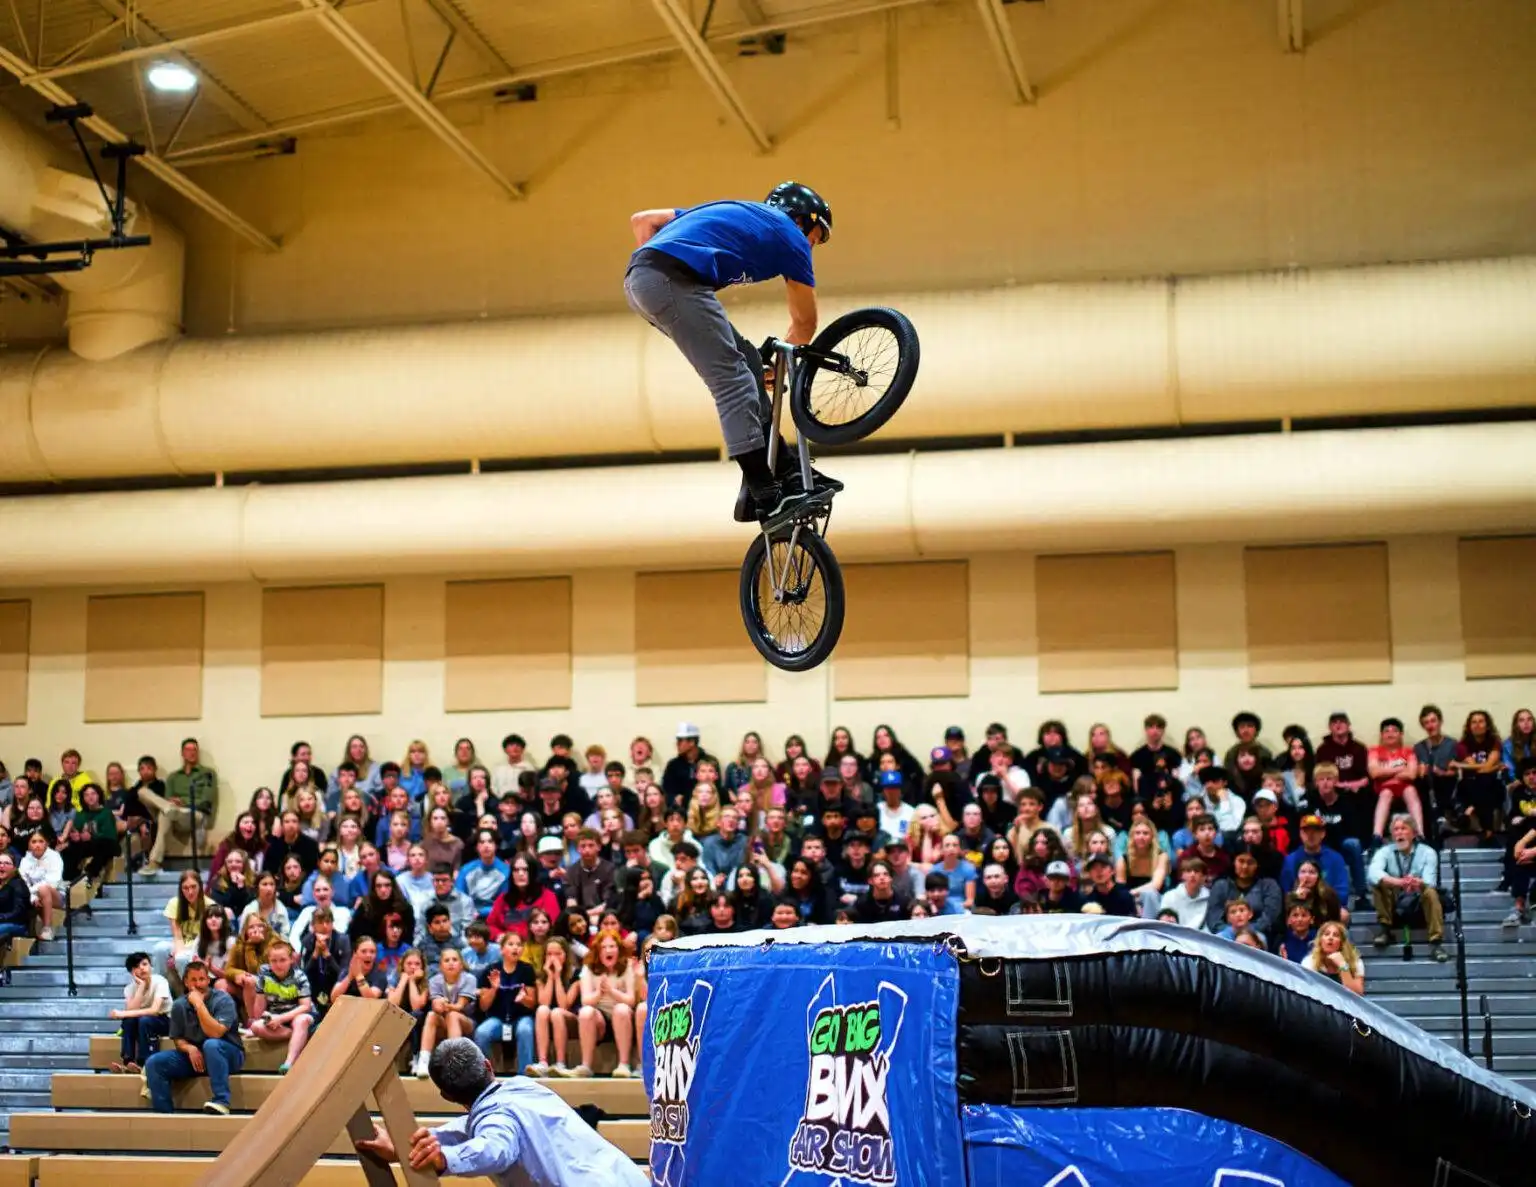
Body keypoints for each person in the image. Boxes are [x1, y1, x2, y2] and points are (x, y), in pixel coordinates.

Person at [625, 184, 838, 524]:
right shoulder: (790, 235)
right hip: (669, 281)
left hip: (648, 282)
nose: (813, 245)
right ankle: (766, 494)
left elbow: (644, 221)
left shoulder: (738, 218)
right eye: (817, 236)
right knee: (734, 381)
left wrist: (648, 267)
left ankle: (783, 470)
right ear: (802, 220)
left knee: (749, 363)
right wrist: (782, 366)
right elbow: (805, 323)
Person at [357, 1037, 649, 1185]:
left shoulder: (495, 1119)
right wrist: (405, 1145)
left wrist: (444, 1158)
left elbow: (494, 1149)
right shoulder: (525, 1087)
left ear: (447, 1096)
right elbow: (472, 1126)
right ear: (488, 1065)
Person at [143, 960, 245, 1115]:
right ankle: (163, 1114)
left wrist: (199, 1005)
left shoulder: (223, 1000)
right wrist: (189, 1048)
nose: (198, 984)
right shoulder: (179, 1005)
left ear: (208, 980)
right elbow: (178, 1039)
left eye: (202, 979)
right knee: (154, 1062)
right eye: (193, 980)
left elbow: (215, 1033)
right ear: (186, 982)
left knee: (211, 1045)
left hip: (228, 1054)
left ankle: (221, 1101)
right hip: (197, 1058)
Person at [1368, 813, 1447, 961]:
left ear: (1414, 834)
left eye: (1403, 828)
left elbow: (1430, 881)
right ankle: (1385, 930)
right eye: (1396, 829)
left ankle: (1436, 942)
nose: (1399, 833)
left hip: (1417, 899)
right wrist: (1397, 882)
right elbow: (1373, 873)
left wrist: (1417, 882)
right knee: (1379, 884)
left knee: (1430, 892)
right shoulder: (1384, 852)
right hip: (1395, 897)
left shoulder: (1427, 852)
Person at [248, 938, 316, 1074]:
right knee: (256, 1026)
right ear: (268, 961)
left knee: (301, 1020)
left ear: (291, 960)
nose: (278, 965)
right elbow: (259, 1007)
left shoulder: (299, 976)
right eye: (274, 961)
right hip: (277, 1017)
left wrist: (280, 1019)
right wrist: (265, 1018)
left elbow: (305, 1006)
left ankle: (289, 1063)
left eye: (283, 960)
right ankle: (298, 1035)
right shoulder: (264, 973)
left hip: (298, 1015)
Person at [474, 931, 537, 1075]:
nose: (516, 948)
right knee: (482, 1032)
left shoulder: (527, 970)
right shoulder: (491, 970)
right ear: (502, 949)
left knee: (525, 1030)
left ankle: (524, 1075)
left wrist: (524, 999)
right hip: (498, 1019)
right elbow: (483, 1006)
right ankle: (484, 1075)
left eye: (519, 945)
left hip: (521, 1018)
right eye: (511, 944)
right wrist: (494, 988)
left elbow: (532, 1003)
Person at [109, 950, 172, 1073]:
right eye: (137, 967)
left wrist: (122, 1013)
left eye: (144, 964)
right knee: (130, 1021)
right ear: (131, 972)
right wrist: (141, 987)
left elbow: (154, 1010)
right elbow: (131, 1012)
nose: (142, 968)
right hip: (143, 1023)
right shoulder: (129, 989)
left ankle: (145, 1063)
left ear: (150, 966)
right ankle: (129, 1062)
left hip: (166, 1020)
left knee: (144, 1020)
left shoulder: (160, 981)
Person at [17, 829, 63, 941]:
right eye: (34, 842)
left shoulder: (55, 857)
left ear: (46, 843)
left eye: (41, 841)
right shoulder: (25, 860)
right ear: (29, 844)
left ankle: (47, 928)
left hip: (57, 895)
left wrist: (35, 894)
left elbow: (53, 881)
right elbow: (23, 883)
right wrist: (33, 897)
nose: (37, 845)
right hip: (35, 895)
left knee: (43, 889)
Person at [1303, 920, 1365, 994]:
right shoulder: (1309, 961)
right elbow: (1307, 992)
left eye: (1336, 935)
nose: (1330, 937)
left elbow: (1357, 994)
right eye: (1326, 934)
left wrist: (1342, 965)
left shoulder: (1355, 962)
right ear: (1320, 940)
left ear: (1342, 943)